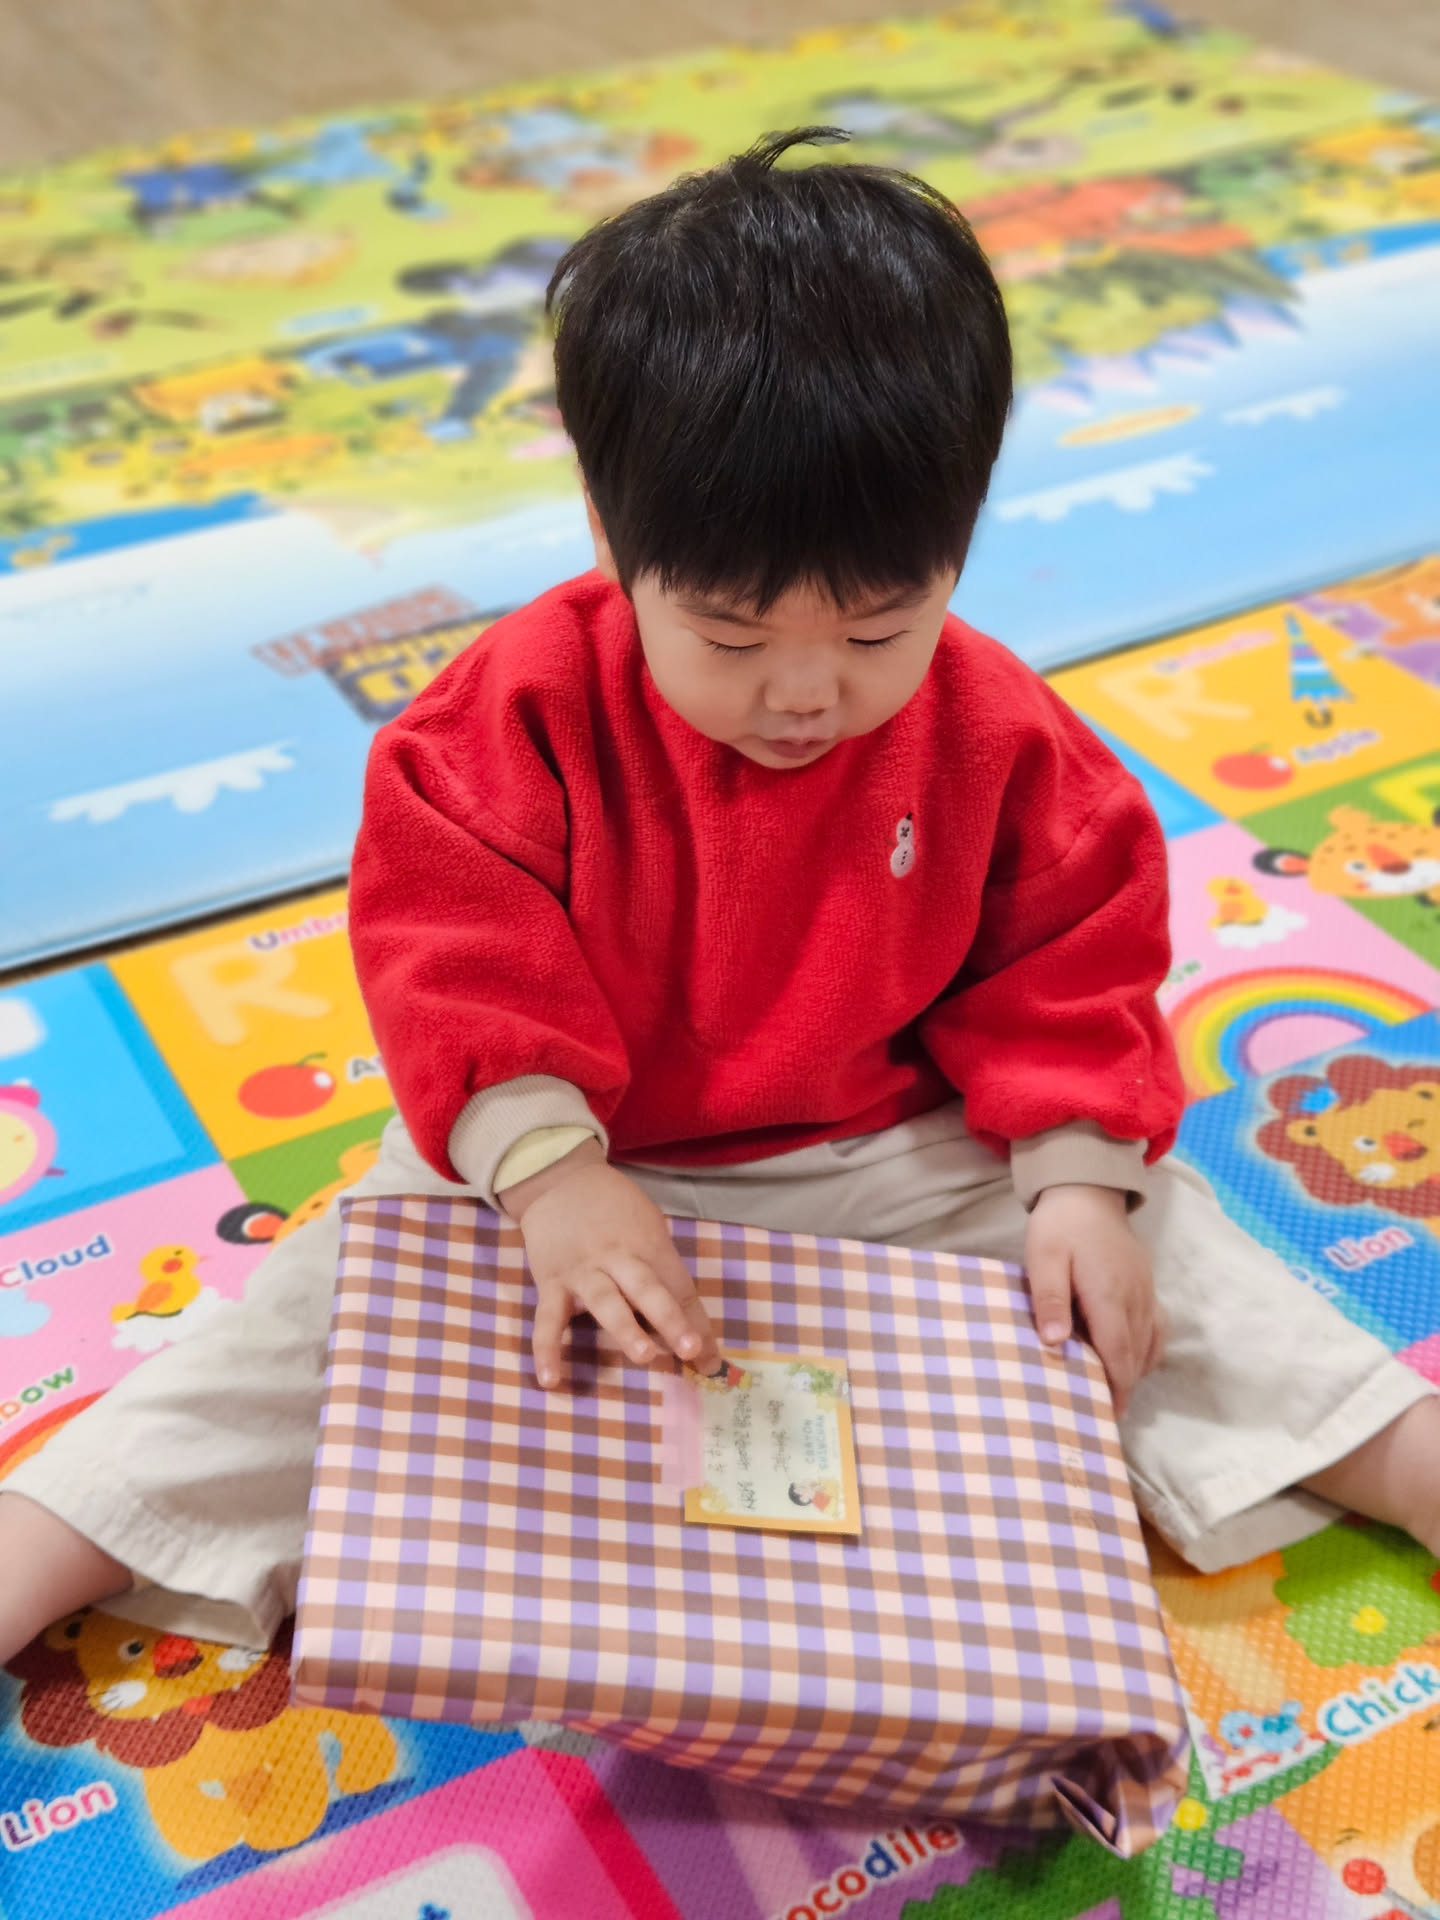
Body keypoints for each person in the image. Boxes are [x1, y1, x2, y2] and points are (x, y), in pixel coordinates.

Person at [1, 129, 1435, 1661]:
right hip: (565, 1158)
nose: (806, 694)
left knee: (1171, 1275)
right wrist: (553, 1180)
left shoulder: (1002, 733)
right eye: (734, 640)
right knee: (313, 1326)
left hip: (901, 1156)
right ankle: (39, 1556)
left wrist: (1079, 1185)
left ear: (957, 549)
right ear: (610, 534)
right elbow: (455, 960)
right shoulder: (507, 718)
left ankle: (1410, 1463)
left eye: (877, 632)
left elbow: (1069, 965)